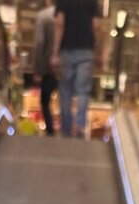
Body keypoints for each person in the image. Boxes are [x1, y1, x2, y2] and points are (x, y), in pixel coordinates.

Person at [53, 0, 99, 139]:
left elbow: (60, 24)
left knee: (66, 91)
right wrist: (99, 49)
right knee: (83, 91)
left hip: (67, 50)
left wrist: (55, 52)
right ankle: (80, 126)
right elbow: (96, 26)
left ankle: (66, 130)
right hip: (86, 50)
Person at [32, 4, 58, 138]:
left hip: (48, 67)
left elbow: (39, 43)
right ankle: (68, 131)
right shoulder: (66, 14)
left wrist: (38, 69)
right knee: (65, 99)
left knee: (45, 101)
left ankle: (50, 131)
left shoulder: (43, 16)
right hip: (65, 65)